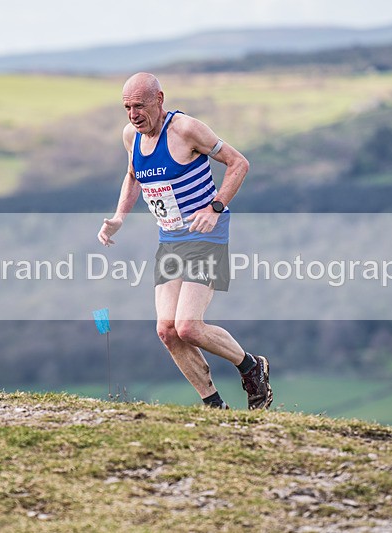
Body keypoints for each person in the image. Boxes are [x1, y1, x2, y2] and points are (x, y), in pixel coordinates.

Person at [97, 72, 273, 410]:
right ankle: (213, 405)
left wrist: (216, 206)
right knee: (167, 330)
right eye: (127, 108)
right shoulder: (131, 136)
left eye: (140, 106)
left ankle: (252, 367)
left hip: (206, 237)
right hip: (170, 240)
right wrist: (119, 217)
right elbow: (134, 175)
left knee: (188, 326)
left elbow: (239, 163)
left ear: (159, 100)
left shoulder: (186, 130)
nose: (134, 115)